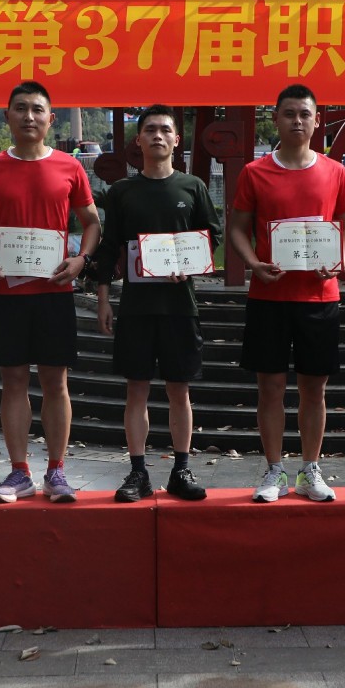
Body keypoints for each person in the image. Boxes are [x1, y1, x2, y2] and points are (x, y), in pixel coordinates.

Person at [0, 81, 100, 503]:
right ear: (8, 117)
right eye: (20, 108)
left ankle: (57, 471)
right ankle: (19, 473)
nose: (29, 116)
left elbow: (91, 222)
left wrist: (81, 260)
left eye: (37, 109)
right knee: (13, 382)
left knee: (56, 382)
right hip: (5, 292)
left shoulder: (69, 167)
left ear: (51, 119)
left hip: (54, 290)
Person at [227, 84, 345, 502]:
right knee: (270, 387)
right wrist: (254, 263)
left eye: (304, 114)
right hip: (269, 297)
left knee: (314, 389)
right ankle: (274, 470)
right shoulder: (255, 172)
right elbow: (237, 229)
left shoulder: (334, 172)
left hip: (320, 296)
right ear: (275, 119)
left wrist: (339, 260)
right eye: (289, 114)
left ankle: (309, 469)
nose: (297, 121)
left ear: (317, 121)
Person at [88, 105, 221, 502]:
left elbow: (211, 235)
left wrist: (190, 265)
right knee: (137, 390)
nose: (158, 136)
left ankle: (181, 469)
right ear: (139, 141)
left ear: (177, 140)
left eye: (165, 130)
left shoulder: (192, 187)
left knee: (180, 390)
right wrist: (103, 299)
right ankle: (138, 472)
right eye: (150, 130)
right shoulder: (123, 192)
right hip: (136, 307)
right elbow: (109, 248)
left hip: (180, 306)